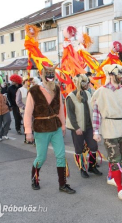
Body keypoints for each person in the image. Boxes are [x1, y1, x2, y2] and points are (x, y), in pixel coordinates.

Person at [91, 64, 122, 200]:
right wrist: (96, 131)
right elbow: (96, 113)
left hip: (121, 127)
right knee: (115, 159)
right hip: (108, 128)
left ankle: (111, 177)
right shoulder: (101, 92)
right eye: (118, 75)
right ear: (111, 75)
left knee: (119, 156)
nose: (121, 77)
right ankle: (120, 188)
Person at [24, 63, 76, 194]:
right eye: (48, 75)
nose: (50, 77)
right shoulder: (34, 91)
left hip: (55, 127)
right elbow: (28, 113)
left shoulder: (57, 89)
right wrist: (28, 131)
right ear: (42, 76)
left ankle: (63, 184)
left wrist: (63, 125)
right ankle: (34, 179)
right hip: (41, 129)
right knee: (41, 157)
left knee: (61, 155)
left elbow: (60, 110)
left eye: (52, 74)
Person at [65, 74, 102, 179]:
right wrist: (76, 128)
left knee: (93, 146)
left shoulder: (87, 93)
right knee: (79, 149)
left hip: (89, 126)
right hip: (78, 128)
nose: (87, 84)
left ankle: (92, 166)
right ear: (80, 84)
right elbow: (71, 114)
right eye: (85, 82)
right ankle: (82, 168)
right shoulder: (70, 97)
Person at [16, 76, 35, 144]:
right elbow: (18, 101)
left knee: (34, 124)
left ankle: (33, 138)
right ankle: (27, 138)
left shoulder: (33, 89)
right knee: (27, 123)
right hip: (24, 110)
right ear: (25, 81)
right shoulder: (20, 90)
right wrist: (25, 107)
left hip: (34, 110)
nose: (29, 82)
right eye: (28, 81)